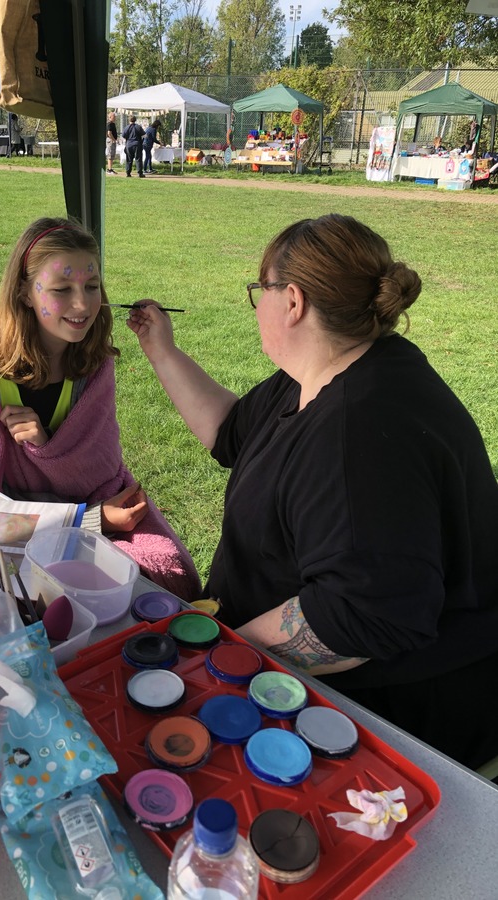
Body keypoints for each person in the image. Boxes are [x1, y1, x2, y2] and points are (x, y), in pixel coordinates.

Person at [127, 213, 498, 769]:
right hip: (309, 686)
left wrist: (214, 655)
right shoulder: (324, 370)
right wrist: (162, 351)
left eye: (261, 291)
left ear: (293, 301)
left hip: (390, 725)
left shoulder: (359, 430)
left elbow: (362, 616)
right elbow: (236, 432)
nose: (259, 307)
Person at [0, 217, 200, 602]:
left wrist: (46, 445)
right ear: (25, 293)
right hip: (19, 532)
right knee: (71, 594)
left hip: (99, 503)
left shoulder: (95, 363)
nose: (82, 304)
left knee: (168, 577)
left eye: (92, 287)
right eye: (62, 289)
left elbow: (100, 470)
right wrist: (92, 522)